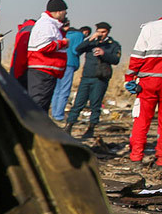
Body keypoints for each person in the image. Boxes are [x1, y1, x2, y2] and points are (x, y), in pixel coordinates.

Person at [65, 22, 120, 138]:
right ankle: (68, 126)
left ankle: (91, 128)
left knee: (95, 104)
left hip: (100, 78)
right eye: (99, 31)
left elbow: (116, 60)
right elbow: (77, 49)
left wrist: (104, 54)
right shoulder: (92, 43)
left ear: (108, 32)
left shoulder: (113, 45)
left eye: (103, 32)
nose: (101, 34)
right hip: (86, 77)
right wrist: (90, 40)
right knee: (78, 103)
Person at [124, 17, 162, 163]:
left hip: (148, 82)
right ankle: (160, 161)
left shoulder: (150, 28)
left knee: (142, 120)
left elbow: (137, 56)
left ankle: (136, 157)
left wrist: (130, 78)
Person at [26, 0, 70, 111]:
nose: (65, 14)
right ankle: (35, 127)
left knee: (42, 103)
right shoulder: (46, 25)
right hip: (43, 71)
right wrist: (63, 43)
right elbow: (43, 46)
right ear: (59, 11)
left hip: (46, 71)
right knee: (39, 104)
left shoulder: (51, 24)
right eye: (65, 11)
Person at [50, 24, 89, 121]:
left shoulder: (65, 34)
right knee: (65, 90)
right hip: (70, 63)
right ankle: (59, 115)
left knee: (57, 89)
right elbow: (76, 50)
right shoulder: (79, 36)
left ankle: (54, 113)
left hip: (59, 62)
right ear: (86, 32)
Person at [11, 18, 36, 89]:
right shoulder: (29, 31)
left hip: (17, 69)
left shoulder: (23, 31)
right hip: (24, 70)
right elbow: (22, 55)